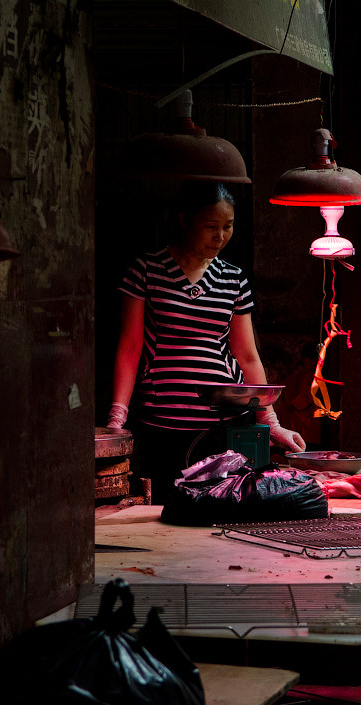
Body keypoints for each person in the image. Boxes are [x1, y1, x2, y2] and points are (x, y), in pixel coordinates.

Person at [107, 182, 305, 504]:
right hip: (162, 427)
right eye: (211, 227)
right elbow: (130, 348)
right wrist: (117, 418)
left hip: (224, 427)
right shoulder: (146, 271)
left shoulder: (234, 279)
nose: (220, 236)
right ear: (184, 220)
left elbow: (247, 355)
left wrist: (270, 422)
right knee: (164, 515)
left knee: (222, 512)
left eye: (228, 227)